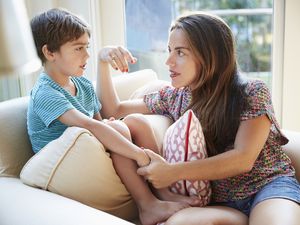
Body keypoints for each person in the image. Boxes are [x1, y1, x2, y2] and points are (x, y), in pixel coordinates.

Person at [97, 12, 300, 225]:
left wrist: (172, 173)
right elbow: (114, 109)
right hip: (221, 205)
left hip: (268, 188)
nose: (168, 61)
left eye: (180, 53)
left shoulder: (251, 91)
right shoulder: (175, 97)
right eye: (169, 51)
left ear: (210, 55)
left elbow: (243, 159)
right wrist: (103, 60)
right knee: (179, 223)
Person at [27, 8, 195, 225]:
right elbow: (88, 125)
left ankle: (164, 193)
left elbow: (99, 120)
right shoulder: (45, 93)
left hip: (88, 147)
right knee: (117, 129)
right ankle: (147, 206)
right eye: (78, 48)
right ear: (50, 52)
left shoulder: (83, 85)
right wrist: (139, 155)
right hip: (65, 163)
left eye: (87, 47)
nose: (86, 55)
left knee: (137, 122)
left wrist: (111, 124)